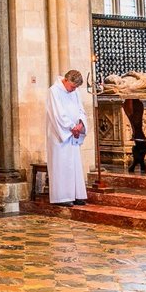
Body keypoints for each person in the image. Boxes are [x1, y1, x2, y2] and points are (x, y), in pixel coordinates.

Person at [45, 70, 89, 206]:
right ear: (66, 80)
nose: (74, 90)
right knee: (62, 165)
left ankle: (76, 194)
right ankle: (62, 197)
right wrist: (71, 127)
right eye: (72, 87)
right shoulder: (54, 91)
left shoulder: (75, 92)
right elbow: (58, 114)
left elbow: (81, 109)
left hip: (73, 134)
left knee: (74, 165)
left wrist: (81, 124)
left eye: (76, 87)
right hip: (60, 135)